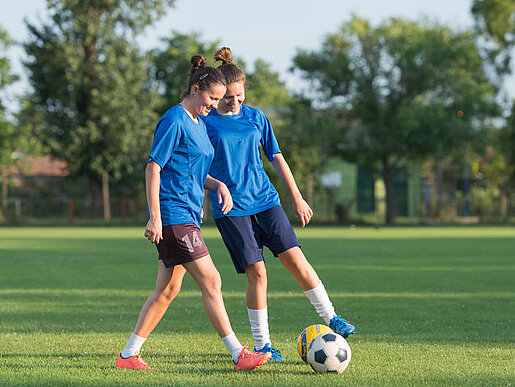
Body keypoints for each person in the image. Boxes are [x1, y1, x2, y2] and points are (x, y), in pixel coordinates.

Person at [115, 55, 271, 371]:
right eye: (212, 98)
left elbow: (194, 170)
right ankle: (238, 353)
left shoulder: (199, 123)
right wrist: (155, 216)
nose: (214, 105)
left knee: (167, 290)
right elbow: (153, 167)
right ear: (196, 89)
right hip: (173, 217)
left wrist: (218, 186)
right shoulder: (174, 120)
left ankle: (128, 356)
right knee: (211, 280)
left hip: (187, 216)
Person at [200, 47, 356, 361]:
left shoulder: (257, 117)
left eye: (240, 96)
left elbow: (277, 159)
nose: (234, 103)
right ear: (217, 95)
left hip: (266, 201)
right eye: (228, 97)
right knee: (258, 273)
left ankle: (331, 317)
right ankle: (263, 345)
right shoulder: (205, 122)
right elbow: (195, 167)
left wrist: (297, 197)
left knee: (296, 260)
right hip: (232, 210)